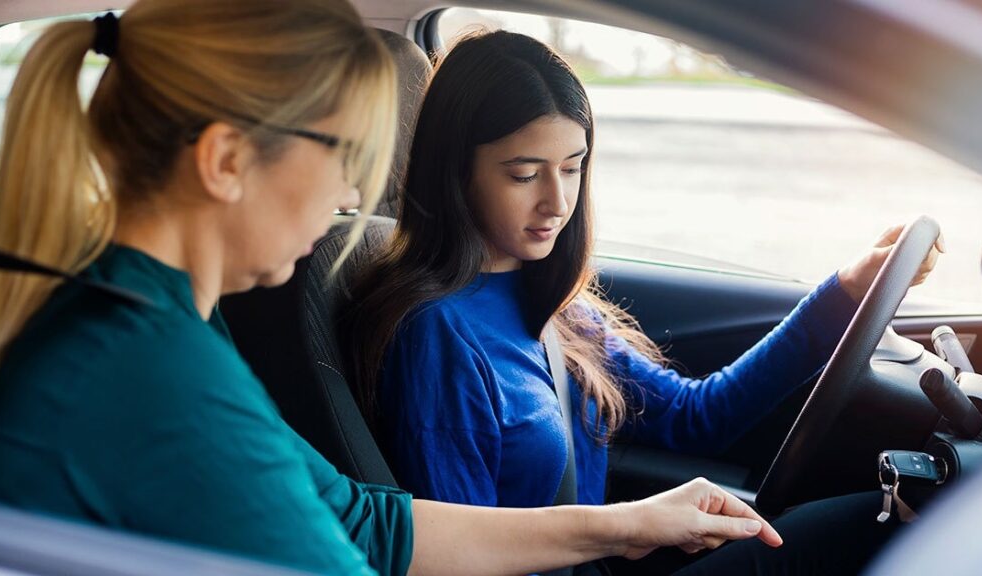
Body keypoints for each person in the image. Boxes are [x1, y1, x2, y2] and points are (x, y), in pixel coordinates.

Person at [0, 4, 785, 576]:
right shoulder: (151, 372)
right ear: (226, 161)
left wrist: (623, 525)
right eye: (345, 159)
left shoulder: (154, 321)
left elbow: (366, 523)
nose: (347, 202)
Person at [345, 30, 943, 574]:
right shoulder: (438, 337)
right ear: (457, 173)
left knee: (892, 518)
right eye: (525, 174)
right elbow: (456, 560)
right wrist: (623, 530)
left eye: (573, 168)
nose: (558, 201)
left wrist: (846, 291)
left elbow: (697, 416)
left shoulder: (552, 300)